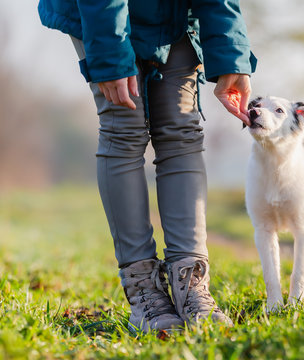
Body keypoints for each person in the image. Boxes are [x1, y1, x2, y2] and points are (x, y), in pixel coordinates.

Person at [38, 0, 256, 332]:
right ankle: (144, 292)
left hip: (175, 12)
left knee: (182, 130)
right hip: (99, 11)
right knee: (122, 127)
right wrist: (110, 54)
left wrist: (230, 52)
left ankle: (191, 286)